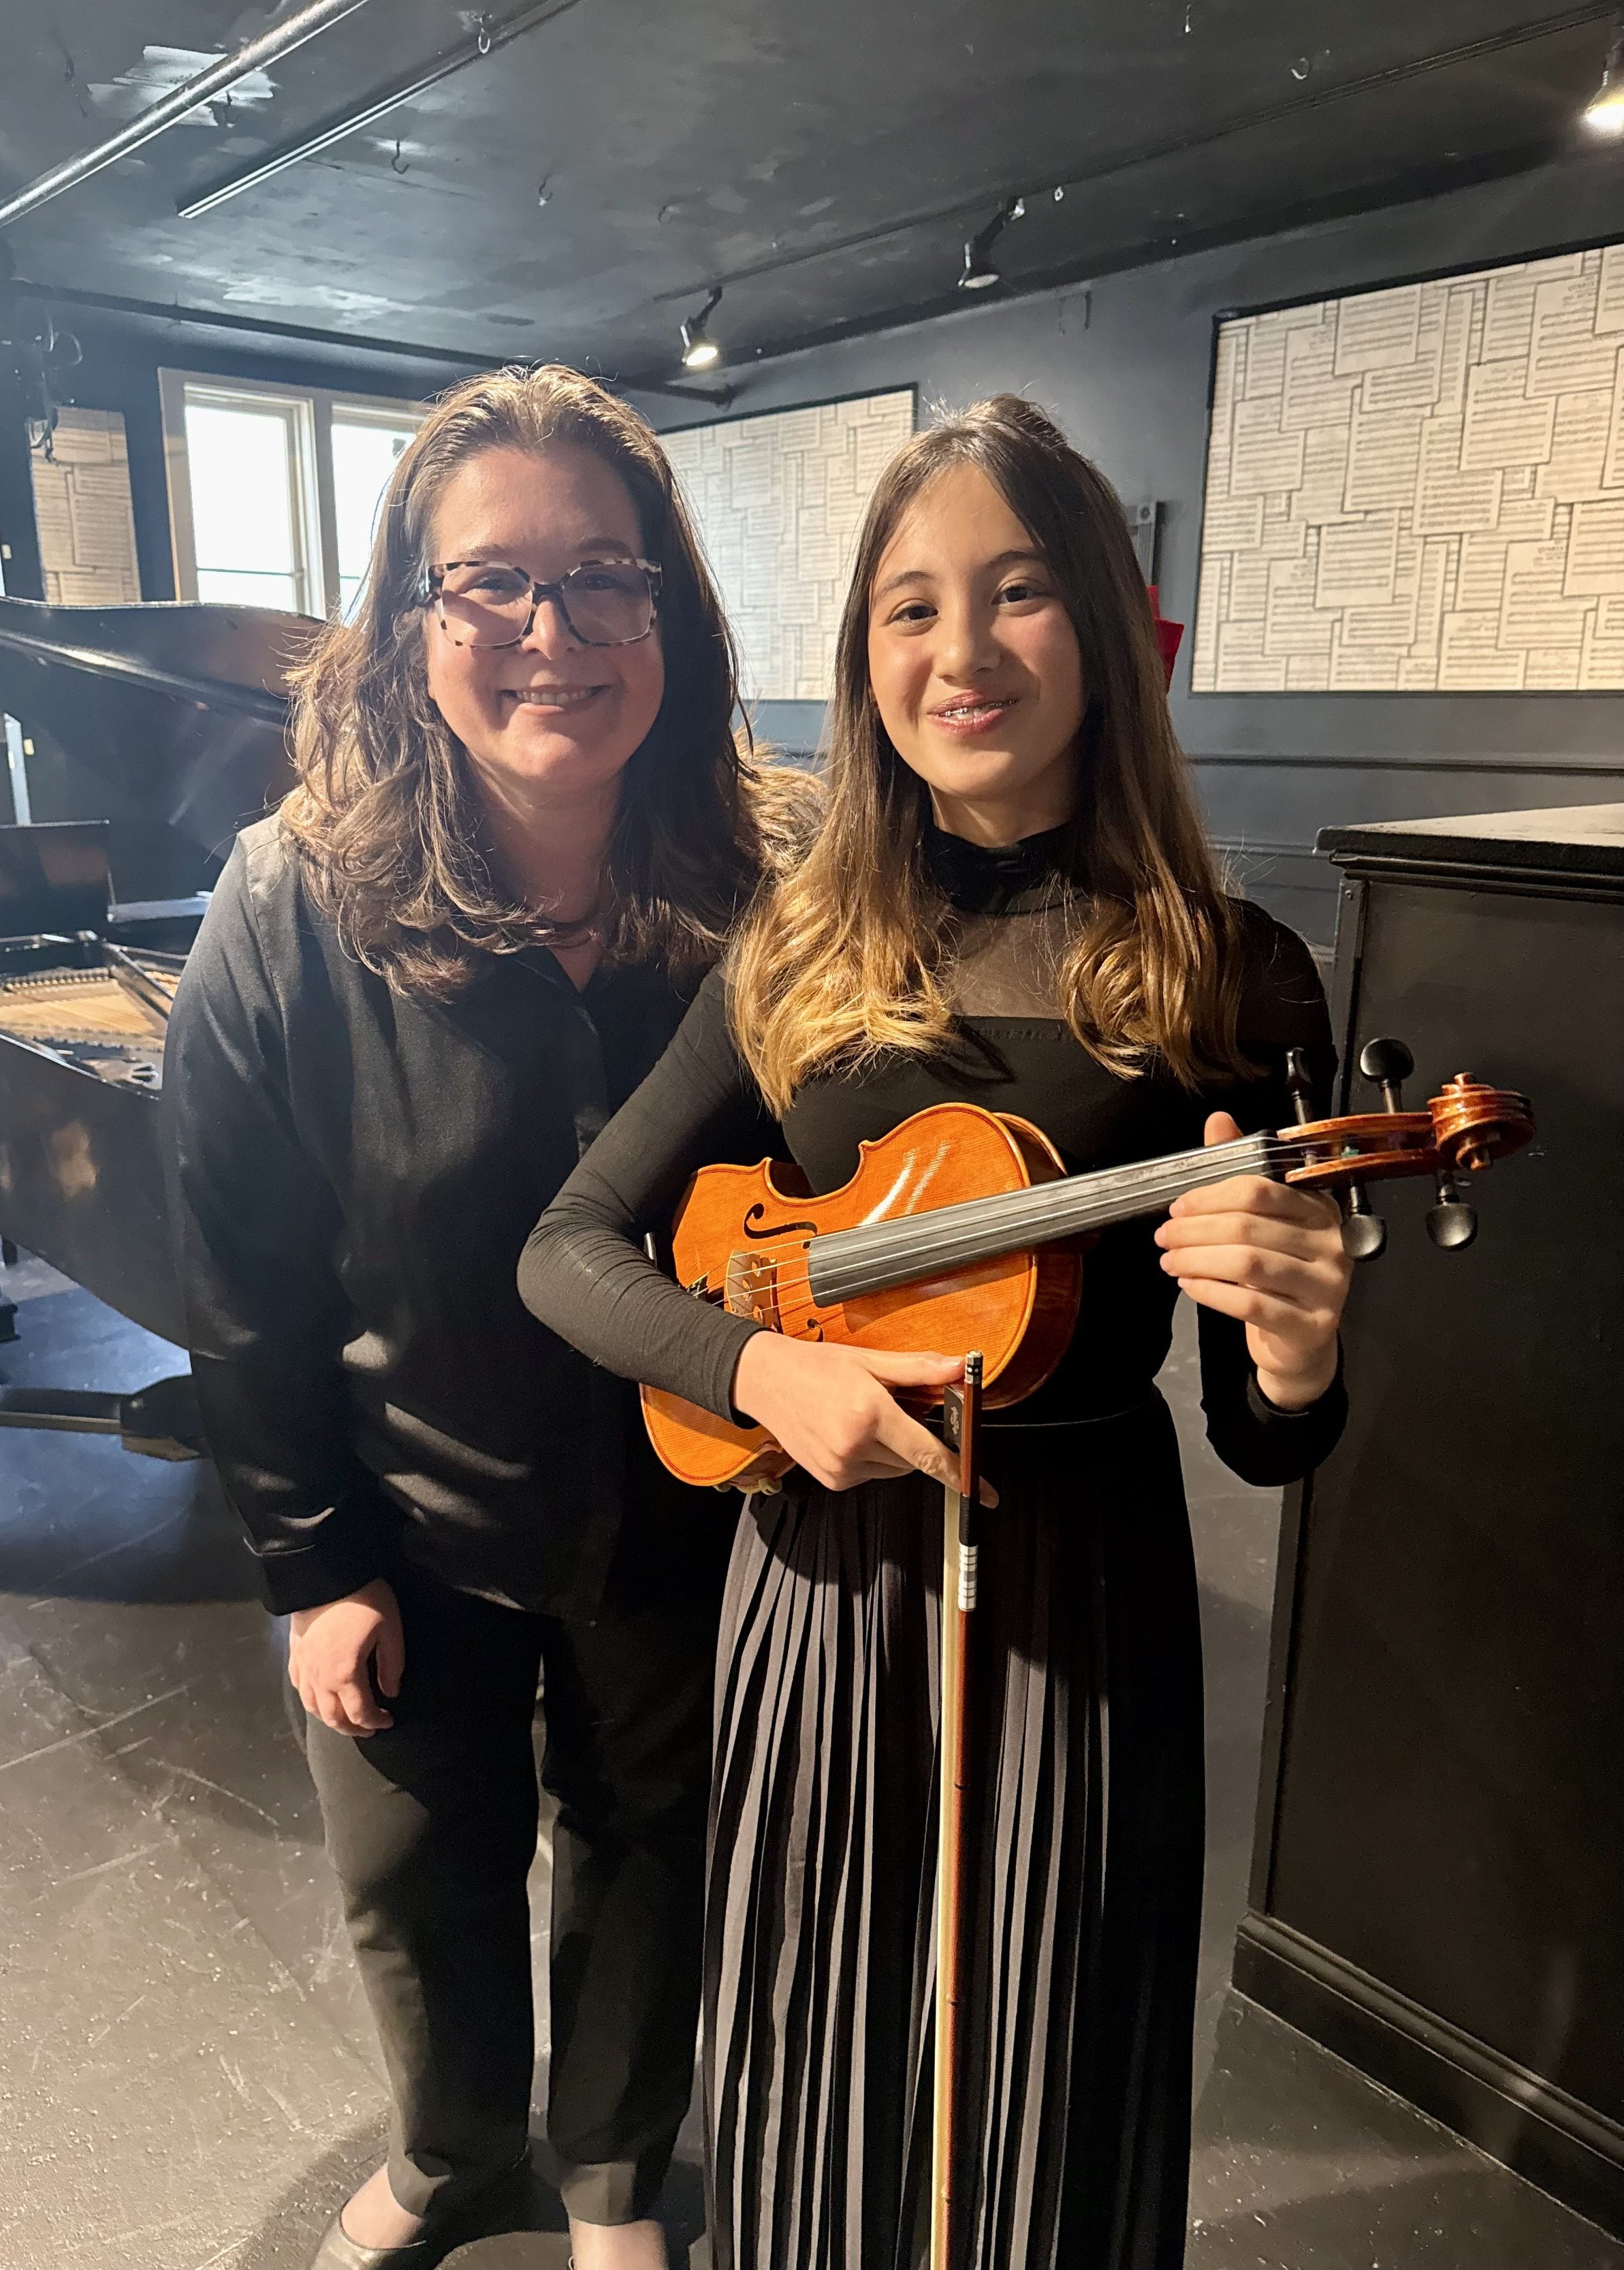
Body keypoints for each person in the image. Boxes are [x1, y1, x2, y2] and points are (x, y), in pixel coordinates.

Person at [519, 394, 1355, 2270]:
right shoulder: (795, 954)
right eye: (908, 607)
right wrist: (757, 1369)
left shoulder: (1231, 972)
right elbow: (568, 1251)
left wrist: (1295, 1349)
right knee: (815, 2055)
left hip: (1080, 1583)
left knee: (1046, 2060)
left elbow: (1258, 1427)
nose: (959, 651)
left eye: (1015, 593)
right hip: (820, 1577)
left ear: (1104, 634)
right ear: (862, 657)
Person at [164, 364, 763, 2270]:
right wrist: (310, 1562)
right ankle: (445, 2155)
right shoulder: (290, 898)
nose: (551, 635)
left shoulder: (776, 887)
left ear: (666, 606)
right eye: (487, 581)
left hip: (691, 1501)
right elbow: (234, 1268)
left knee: (647, 1855)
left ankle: (605, 2176)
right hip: (408, 1516)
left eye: (603, 578)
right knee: (415, 1875)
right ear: (410, 619)